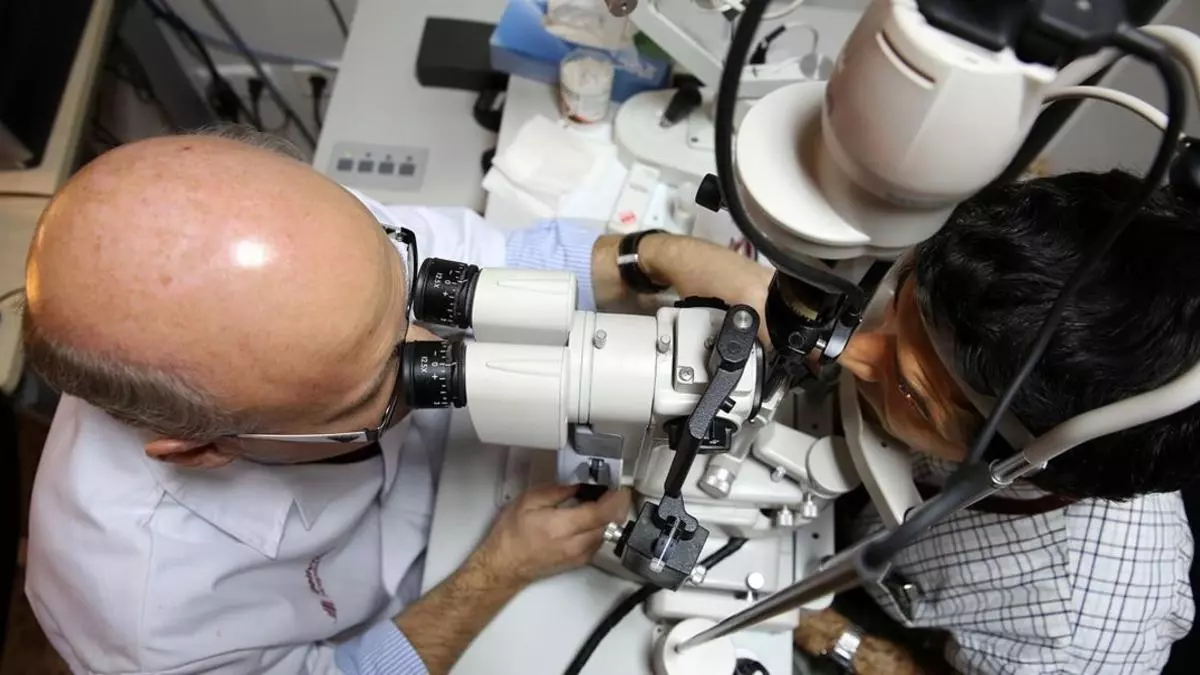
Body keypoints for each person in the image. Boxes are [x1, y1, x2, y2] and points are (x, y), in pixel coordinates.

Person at [19, 128, 770, 675]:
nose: (436, 339)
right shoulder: (145, 618)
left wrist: (664, 256)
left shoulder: (301, 241)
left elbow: (499, 266)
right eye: (382, 380)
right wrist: (496, 572)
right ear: (204, 448)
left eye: (405, 289)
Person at [792, 170, 1197, 674]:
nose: (848, 351)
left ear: (1020, 465)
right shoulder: (1008, 264)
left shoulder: (1078, 635)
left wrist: (837, 637)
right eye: (902, 298)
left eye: (910, 390)